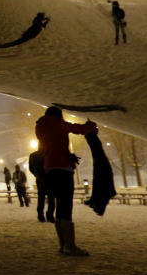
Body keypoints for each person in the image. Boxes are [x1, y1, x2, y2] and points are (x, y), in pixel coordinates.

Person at [35, 106, 97, 255]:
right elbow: (78, 129)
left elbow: (53, 145)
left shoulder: (40, 126)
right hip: (63, 169)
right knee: (66, 205)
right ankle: (70, 246)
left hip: (50, 168)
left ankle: (63, 244)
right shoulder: (57, 123)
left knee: (60, 206)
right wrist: (92, 124)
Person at [29, 149, 53, 222]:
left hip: (40, 179)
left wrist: (37, 174)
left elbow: (31, 168)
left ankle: (40, 215)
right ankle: (50, 215)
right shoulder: (50, 153)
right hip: (50, 178)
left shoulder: (33, 155)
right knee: (51, 198)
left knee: (41, 198)